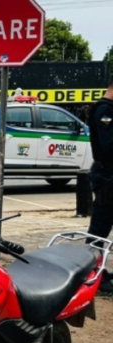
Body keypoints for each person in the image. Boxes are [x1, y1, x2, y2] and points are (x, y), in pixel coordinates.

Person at [86, 78, 113, 293]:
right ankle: (93, 273)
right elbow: (108, 146)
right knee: (99, 228)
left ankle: (98, 270)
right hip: (107, 176)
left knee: (103, 225)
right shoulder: (104, 110)